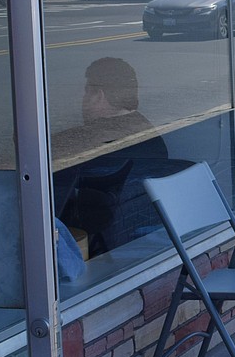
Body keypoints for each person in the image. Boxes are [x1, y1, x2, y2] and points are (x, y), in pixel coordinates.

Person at [52, 56, 169, 256]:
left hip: (100, 239)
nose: (81, 99)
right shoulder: (149, 133)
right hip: (145, 237)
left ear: (99, 95)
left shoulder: (90, 142)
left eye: (86, 91)